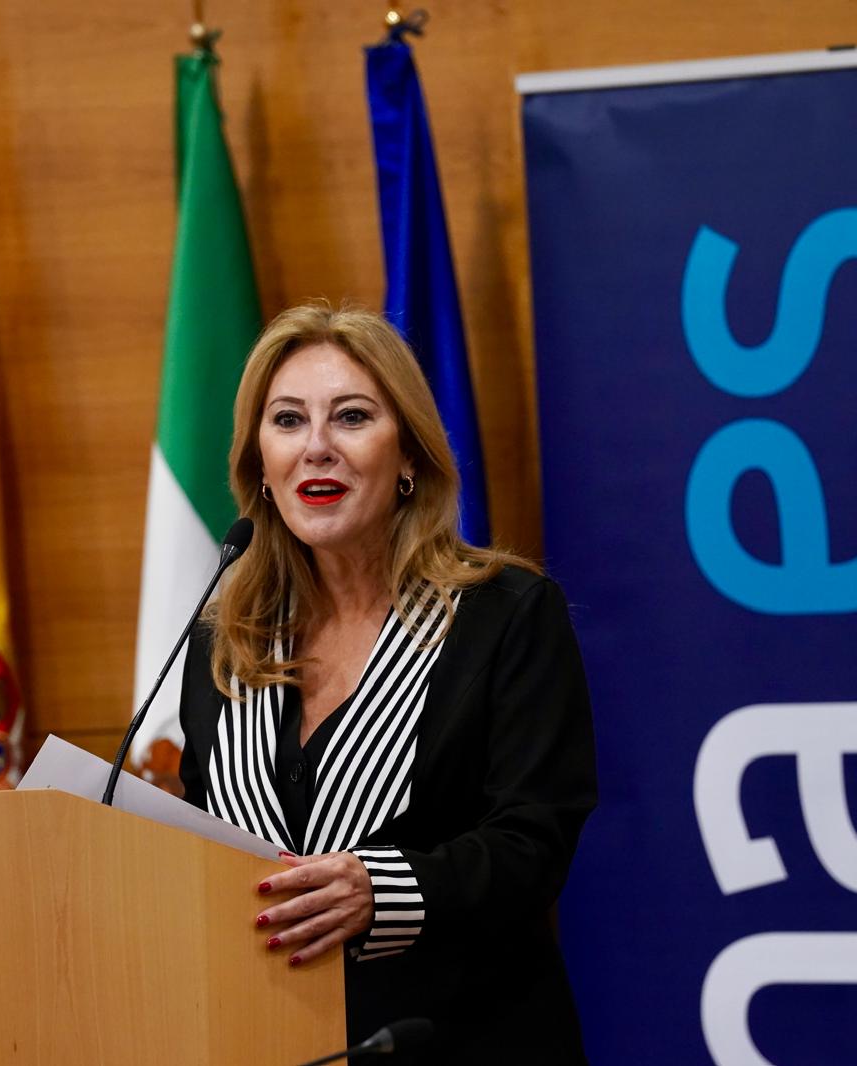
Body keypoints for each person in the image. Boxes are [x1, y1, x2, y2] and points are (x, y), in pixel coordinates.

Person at [176, 303, 597, 1063]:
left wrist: (383, 889)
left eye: (352, 417)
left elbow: (534, 843)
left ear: (408, 457)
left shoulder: (504, 616)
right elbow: (200, 841)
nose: (317, 448)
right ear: (260, 467)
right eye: (288, 421)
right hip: (267, 1038)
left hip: (463, 1043)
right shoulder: (224, 642)